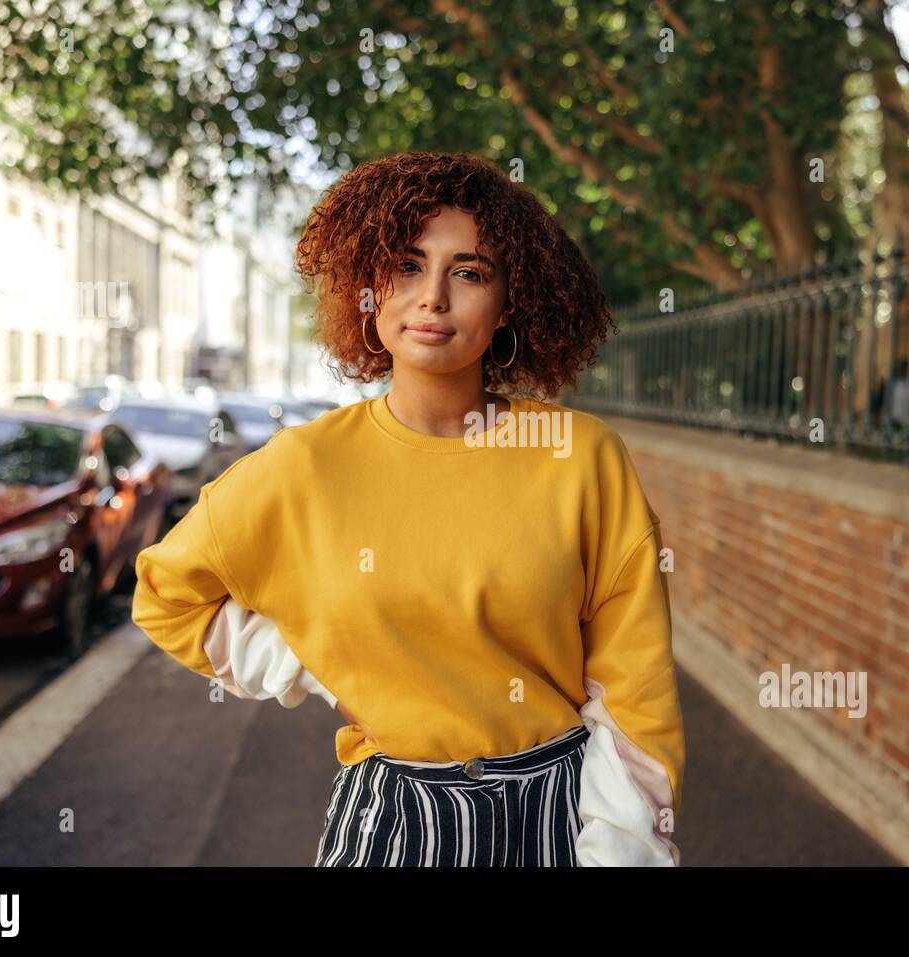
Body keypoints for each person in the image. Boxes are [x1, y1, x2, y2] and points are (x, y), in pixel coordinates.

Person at [131, 151, 685, 867]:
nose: (433, 297)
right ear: (367, 289)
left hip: (561, 818)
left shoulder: (581, 457)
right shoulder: (304, 465)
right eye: (406, 265)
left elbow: (635, 697)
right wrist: (322, 672)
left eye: (470, 271)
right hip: (389, 820)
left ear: (509, 299)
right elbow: (167, 596)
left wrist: (617, 856)